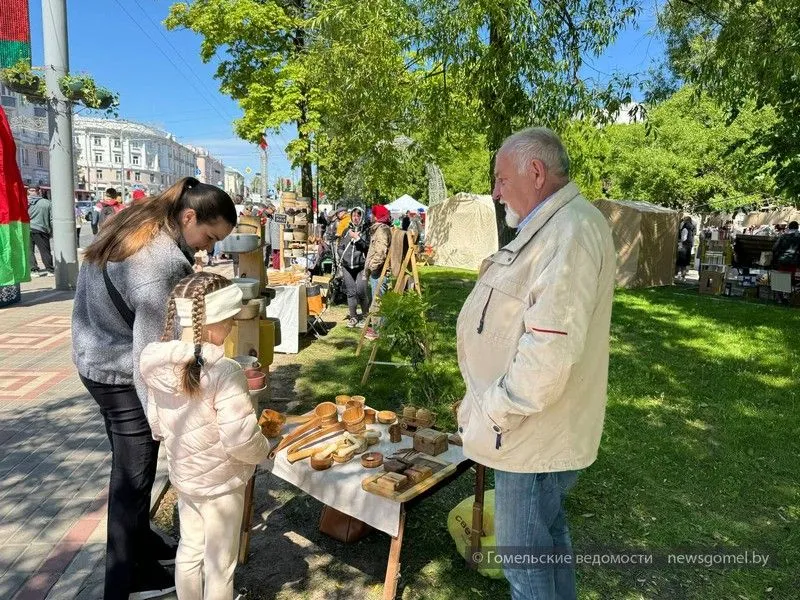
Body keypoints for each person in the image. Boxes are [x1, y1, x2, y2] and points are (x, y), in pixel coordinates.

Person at [455, 127, 615, 600]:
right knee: (547, 543)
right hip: (530, 428)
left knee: (525, 563)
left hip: (529, 429)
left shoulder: (570, 231)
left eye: (502, 179)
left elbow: (547, 355)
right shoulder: (553, 227)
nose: (497, 190)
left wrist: (495, 410)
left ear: (536, 173)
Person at [71, 177, 237, 600]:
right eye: (208, 236)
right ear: (188, 216)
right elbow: (151, 354)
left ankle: (143, 547)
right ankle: (123, 583)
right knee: (132, 477)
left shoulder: (136, 220)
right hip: (121, 370)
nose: (207, 249)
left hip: (93, 357)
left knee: (131, 469)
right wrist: (160, 421)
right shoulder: (160, 265)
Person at [140, 272, 270, 600]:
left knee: (189, 550)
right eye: (228, 321)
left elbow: (156, 423)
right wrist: (264, 449)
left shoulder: (157, 365)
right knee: (220, 566)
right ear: (212, 324)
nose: (230, 328)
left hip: (185, 477)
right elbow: (240, 439)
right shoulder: (224, 371)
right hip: (223, 483)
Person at [363, 204, 392, 340]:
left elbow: (381, 252)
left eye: (372, 214)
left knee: (378, 301)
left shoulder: (382, 230)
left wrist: (372, 266)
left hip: (379, 272)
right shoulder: (379, 229)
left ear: (376, 216)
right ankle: (377, 328)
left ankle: (379, 331)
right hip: (377, 271)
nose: (370, 216)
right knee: (377, 300)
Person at [338, 207, 370, 327]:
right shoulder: (346, 231)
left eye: (358, 216)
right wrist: (342, 255)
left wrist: (357, 238)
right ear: (351, 217)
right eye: (354, 216)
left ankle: (366, 316)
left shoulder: (366, 231)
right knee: (351, 292)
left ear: (361, 217)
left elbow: (366, 247)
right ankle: (353, 317)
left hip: (361, 266)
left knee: (361, 291)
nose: (356, 218)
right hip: (347, 267)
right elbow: (340, 246)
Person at [27, 186, 54, 276]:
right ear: (39, 191)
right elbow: (51, 219)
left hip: (27, 229)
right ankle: (49, 269)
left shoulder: (24, 202)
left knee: (29, 250)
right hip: (42, 229)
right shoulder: (47, 203)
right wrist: (52, 231)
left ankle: (33, 270)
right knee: (45, 250)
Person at [676, 215, 695, 280]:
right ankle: (683, 276)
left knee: (681, 262)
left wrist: (679, 241)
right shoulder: (691, 228)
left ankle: (679, 276)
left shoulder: (685, 228)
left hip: (684, 246)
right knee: (685, 262)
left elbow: (683, 238)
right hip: (689, 246)